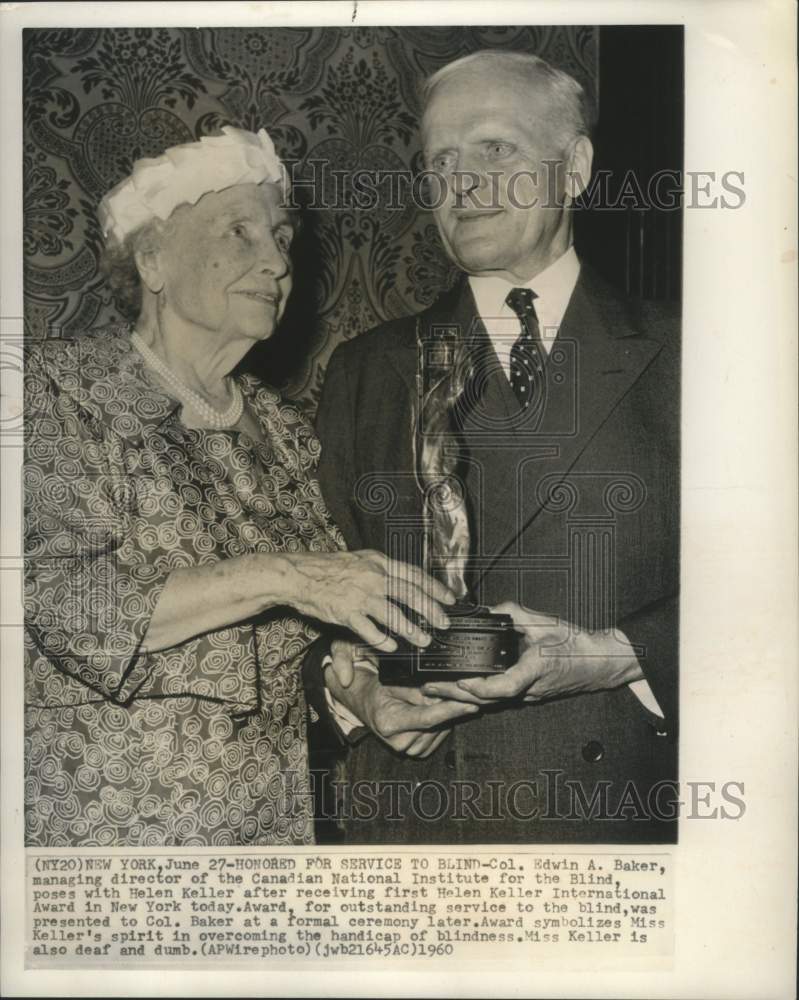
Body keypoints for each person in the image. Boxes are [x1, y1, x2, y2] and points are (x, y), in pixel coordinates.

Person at [23, 127, 466, 848]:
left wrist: (363, 693)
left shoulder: (282, 427)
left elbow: (300, 632)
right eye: (238, 231)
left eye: (281, 236)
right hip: (109, 834)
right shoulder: (58, 391)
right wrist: (286, 575)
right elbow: (72, 605)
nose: (276, 262)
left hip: (267, 832)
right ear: (154, 259)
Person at [311, 51, 679, 844]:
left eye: (494, 149)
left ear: (574, 166)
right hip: (416, 823)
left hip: (611, 819)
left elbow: (768, 597)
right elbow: (306, 593)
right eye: (440, 159)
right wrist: (355, 690)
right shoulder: (366, 370)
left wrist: (615, 656)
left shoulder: (698, 354)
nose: (461, 182)